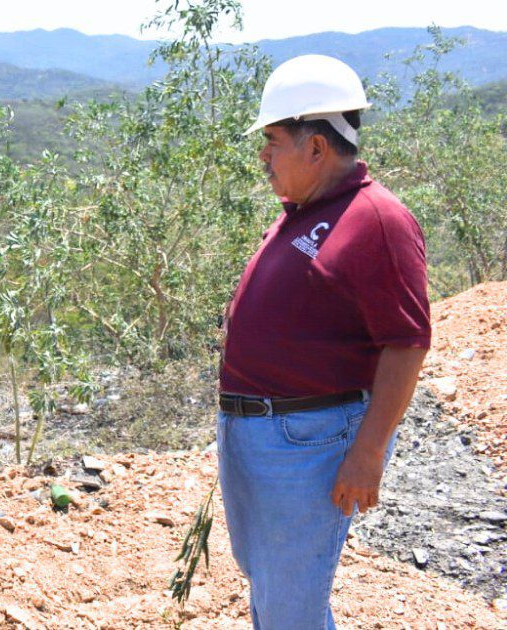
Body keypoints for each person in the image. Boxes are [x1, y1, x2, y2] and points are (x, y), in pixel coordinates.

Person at [218, 55, 430, 629]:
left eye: (273, 140)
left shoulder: (377, 219)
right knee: (271, 580)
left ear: (316, 148)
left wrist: (366, 454)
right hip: (262, 431)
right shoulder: (309, 211)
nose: (263, 154)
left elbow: (407, 344)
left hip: (306, 440)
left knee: (291, 603)